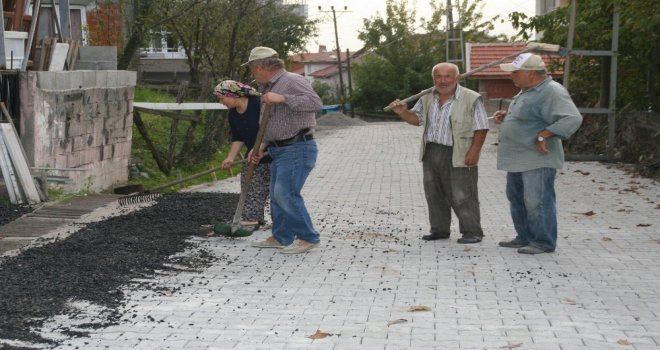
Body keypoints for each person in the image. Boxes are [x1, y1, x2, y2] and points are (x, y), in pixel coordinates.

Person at [388, 63, 489, 244]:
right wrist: (403, 113)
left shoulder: (471, 98)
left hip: (459, 150)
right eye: (438, 77)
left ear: (457, 78)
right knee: (434, 193)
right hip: (432, 149)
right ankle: (439, 230)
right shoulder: (427, 96)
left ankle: (472, 231)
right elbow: (416, 119)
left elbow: (481, 127)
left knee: (462, 193)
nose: (442, 81)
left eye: (447, 76)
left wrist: (475, 151)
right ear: (433, 79)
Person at [493, 53, 582, 254]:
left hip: (536, 159)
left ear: (530, 73)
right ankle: (524, 237)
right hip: (518, 158)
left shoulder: (552, 91)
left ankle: (543, 241)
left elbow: (572, 118)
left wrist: (545, 134)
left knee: (537, 201)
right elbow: (533, 113)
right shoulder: (527, 90)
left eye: (515, 72)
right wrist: (509, 116)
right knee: (517, 198)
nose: (511, 76)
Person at [242, 46, 323, 254]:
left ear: (260, 67)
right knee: (277, 195)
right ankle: (281, 236)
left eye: (251, 68)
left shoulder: (291, 81)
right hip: (280, 150)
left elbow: (316, 103)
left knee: (285, 194)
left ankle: (308, 237)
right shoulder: (271, 86)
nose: (252, 73)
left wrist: (284, 98)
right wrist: (260, 146)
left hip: (297, 147)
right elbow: (272, 122)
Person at [211, 80, 271, 236]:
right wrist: (229, 158)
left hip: (275, 153)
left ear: (232, 94)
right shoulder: (233, 114)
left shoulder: (258, 104)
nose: (220, 102)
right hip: (253, 156)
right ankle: (251, 220)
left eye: (221, 98)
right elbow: (238, 137)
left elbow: (273, 128)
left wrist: (262, 151)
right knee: (249, 186)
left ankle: (283, 224)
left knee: (277, 191)